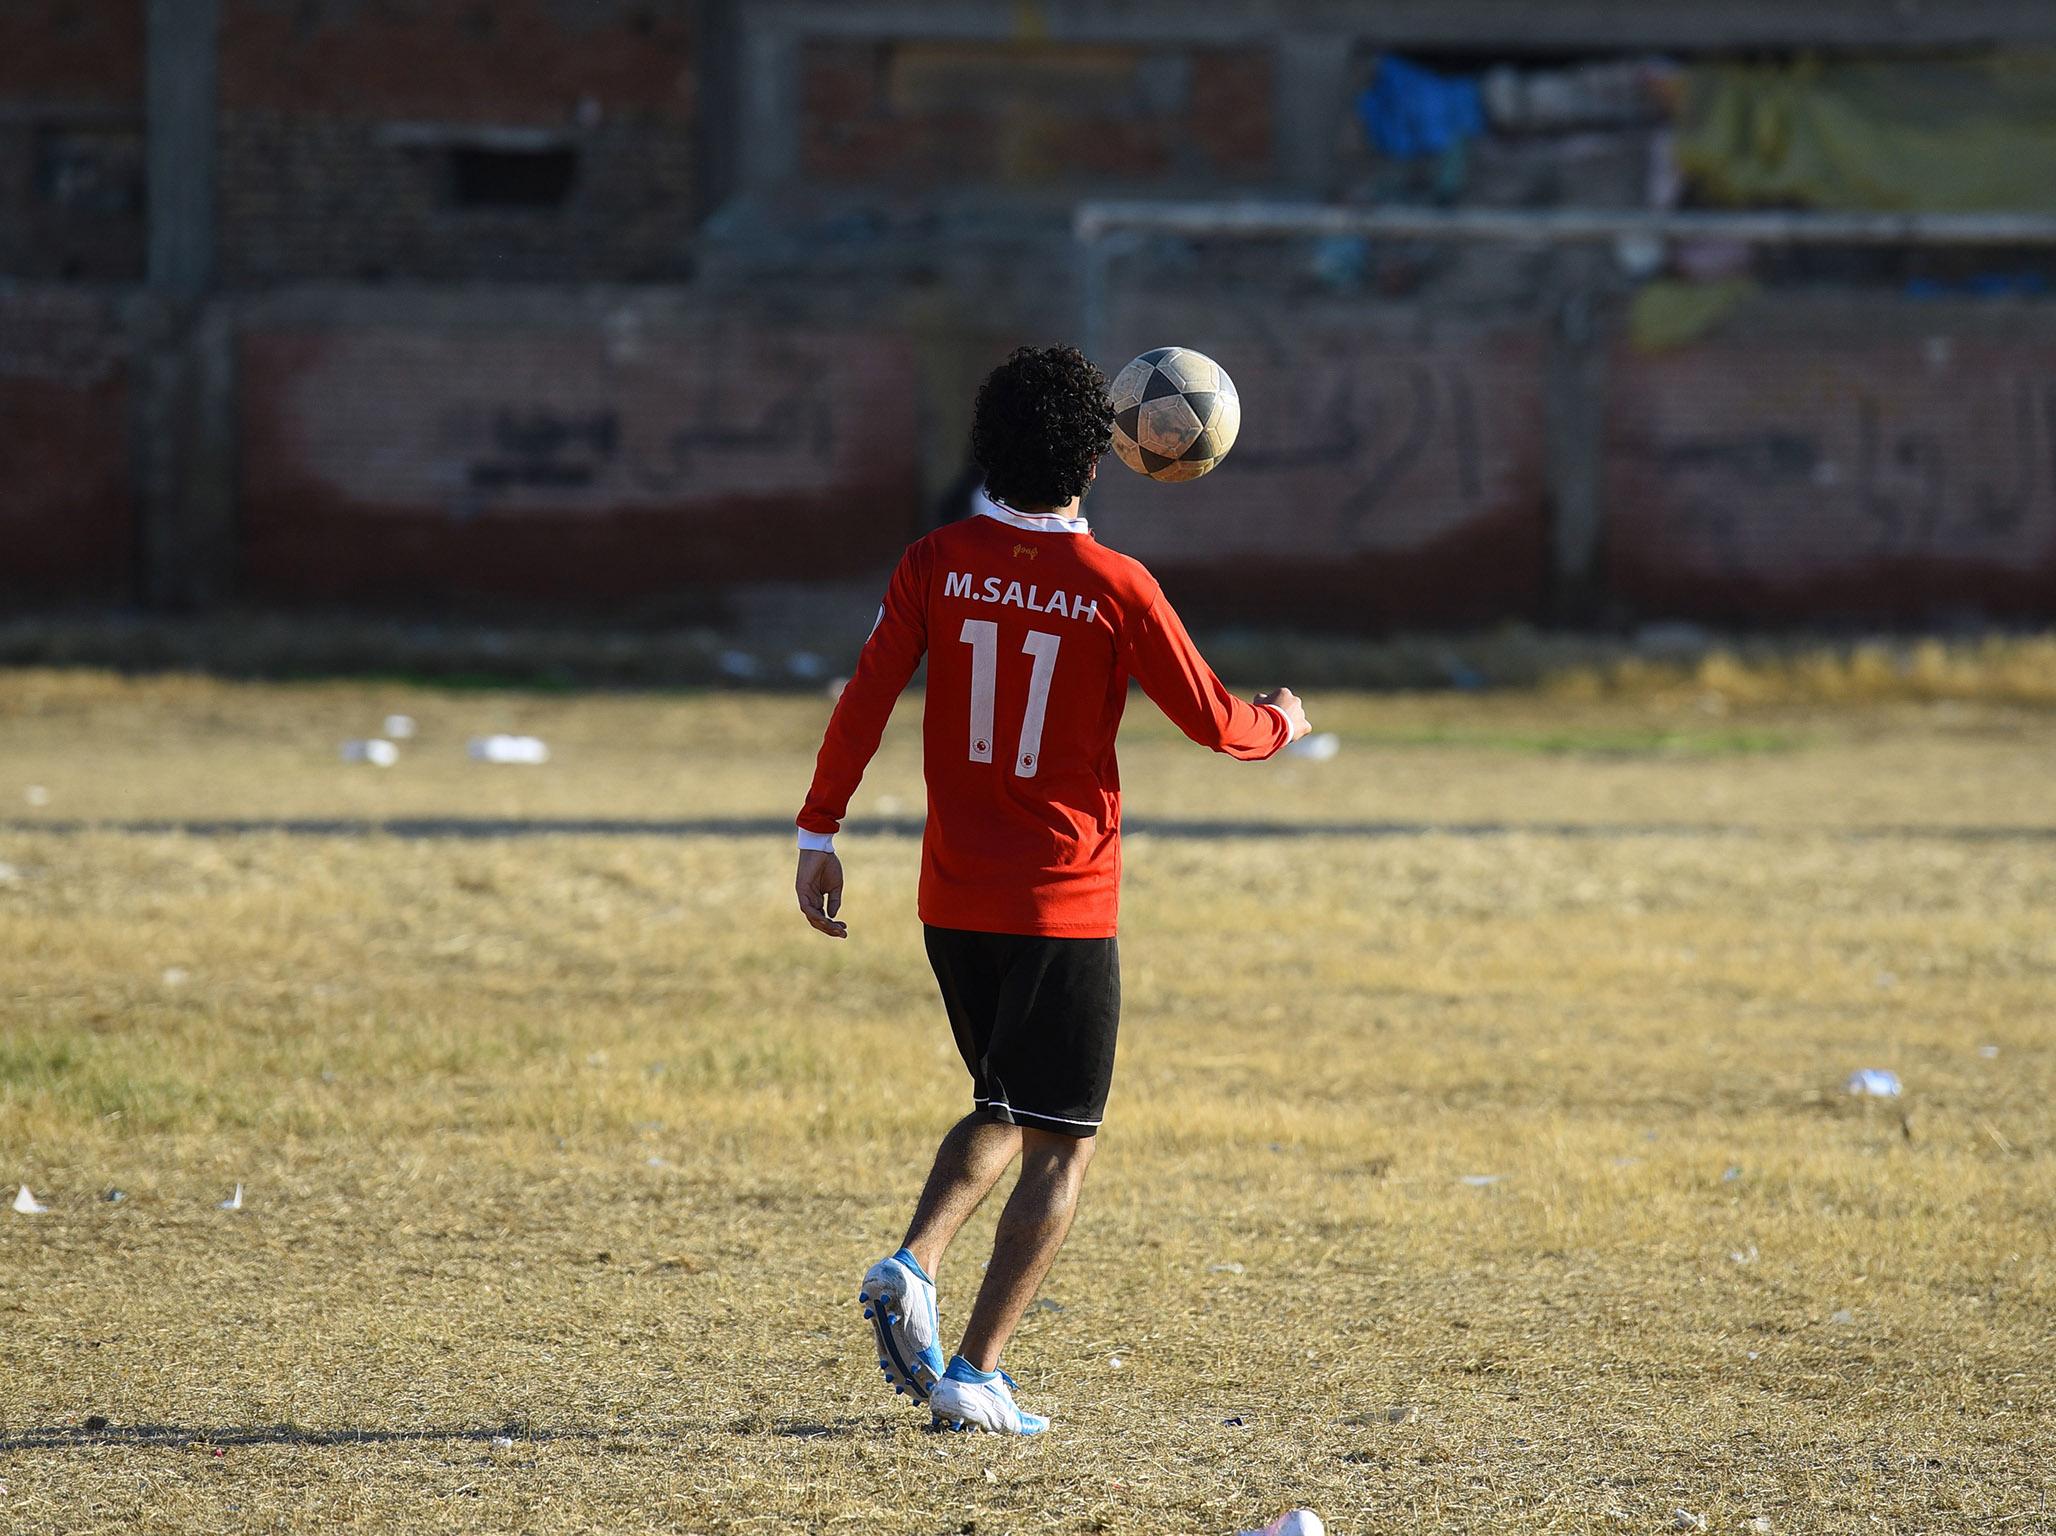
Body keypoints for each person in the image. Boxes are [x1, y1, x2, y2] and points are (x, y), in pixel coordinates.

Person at [792, 344, 1309, 1436]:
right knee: (1060, 1138)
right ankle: (973, 1369)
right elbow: (1220, 724)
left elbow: (866, 700)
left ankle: (914, 1265)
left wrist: (818, 831)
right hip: (1062, 903)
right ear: (1099, 452)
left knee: (1007, 1105)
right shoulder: (1119, 588)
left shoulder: (935, 560)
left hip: (952, 900)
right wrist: (1285, 722)